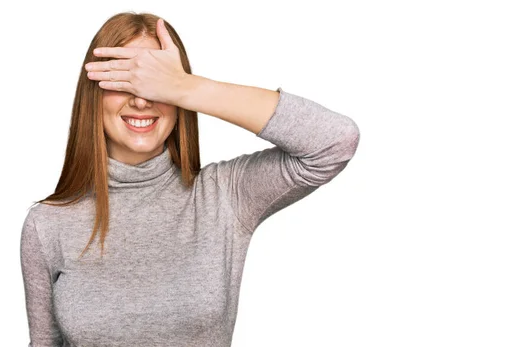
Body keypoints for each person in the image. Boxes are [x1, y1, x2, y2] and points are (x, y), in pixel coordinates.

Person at [20, 11, 360, 347]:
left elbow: (334, 141)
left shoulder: (224, 196)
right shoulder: (48, 223)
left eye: (154, 82)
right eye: (125, 80)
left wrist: (186, 87)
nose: (141, 99)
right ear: (93, 94)